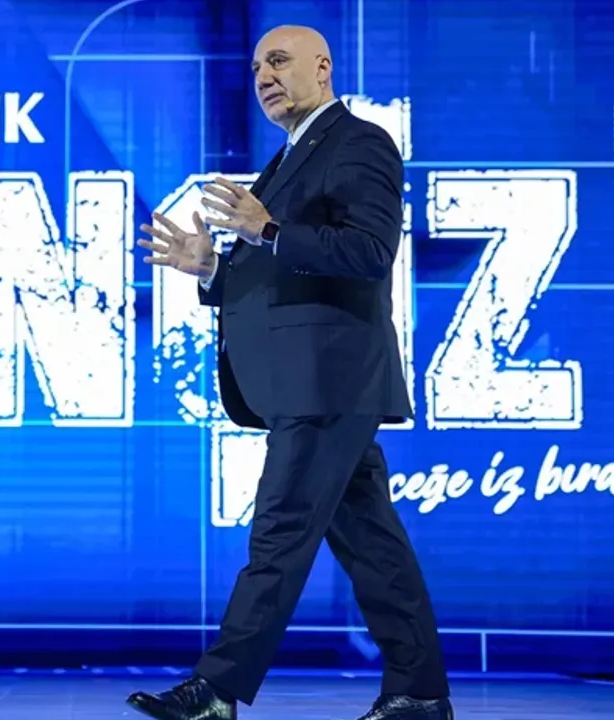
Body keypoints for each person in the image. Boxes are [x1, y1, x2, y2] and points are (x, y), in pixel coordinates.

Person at [126, 25, 453, 720]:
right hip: (310, 383)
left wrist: (267, 230)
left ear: (322, 67)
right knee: (374, 550)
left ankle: (216, 691)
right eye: (255, 68)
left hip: (326, 380)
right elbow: (280, 274)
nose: (263, 77)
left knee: (278, 535)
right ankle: (420, 693)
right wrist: (212, 269)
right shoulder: (291, 156)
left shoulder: (360, 142)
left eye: (278, 61)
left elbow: (369, 252)